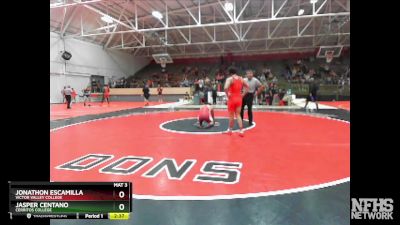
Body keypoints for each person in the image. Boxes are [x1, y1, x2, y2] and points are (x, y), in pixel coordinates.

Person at [224, 68, 249, 137]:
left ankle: (230, 130)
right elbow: (247, 87)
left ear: (230, 72)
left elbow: (225, 88)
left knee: (231, 115)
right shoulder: (241, 79)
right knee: (238, 114)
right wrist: (243, 94)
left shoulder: (230, 79)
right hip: (239, 98)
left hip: (232, 98)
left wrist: (227, 95)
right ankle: (241, 130)